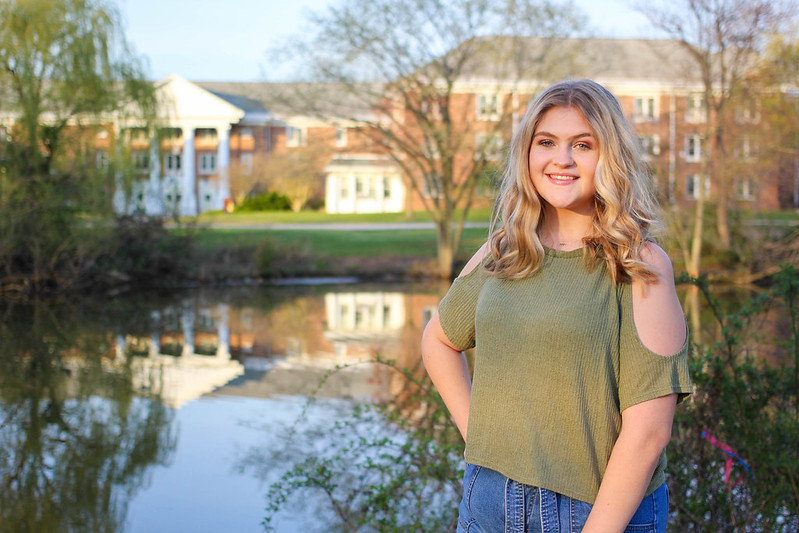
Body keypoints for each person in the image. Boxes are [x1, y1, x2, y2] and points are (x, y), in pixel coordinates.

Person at [421, 79, 693, 533]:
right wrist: (482, 436)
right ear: (527, 153)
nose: (561, 159)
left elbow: (648, 435)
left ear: (610, 156)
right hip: (489, 502)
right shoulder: (503, 251)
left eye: (582, 145)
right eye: (546, 142)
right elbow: (438, 340)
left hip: (597, 512)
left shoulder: (639, 265)